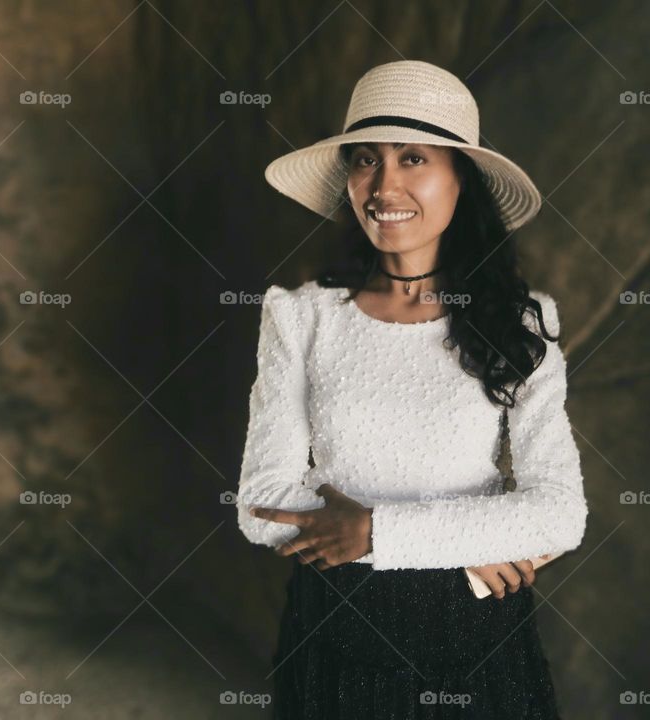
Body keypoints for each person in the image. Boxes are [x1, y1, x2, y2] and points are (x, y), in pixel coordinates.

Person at [237, 59, 588, 719]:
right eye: (366, 160)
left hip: (476, 637)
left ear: (462, 181)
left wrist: (373, 532)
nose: (384, 184)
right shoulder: (301, 315)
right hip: (334, 633)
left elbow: (560, 513)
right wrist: (480, 536)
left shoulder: (522, 323)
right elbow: (260, 504)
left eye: (414, 158)